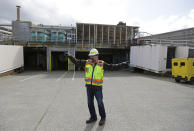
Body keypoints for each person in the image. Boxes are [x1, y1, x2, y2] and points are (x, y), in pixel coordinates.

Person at [65, 48, 129, 126]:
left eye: (93, 56)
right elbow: (77, 62)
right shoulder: (87, 62)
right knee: (90, 103)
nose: (91, 57)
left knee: (100, 103)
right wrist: (70, 56)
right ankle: (93, 117)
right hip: (89, 87)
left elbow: (113, 67)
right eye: (90, 56)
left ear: (97, 56)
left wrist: (123, 64)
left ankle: (103, 117)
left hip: (98, 88)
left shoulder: (102, 63)